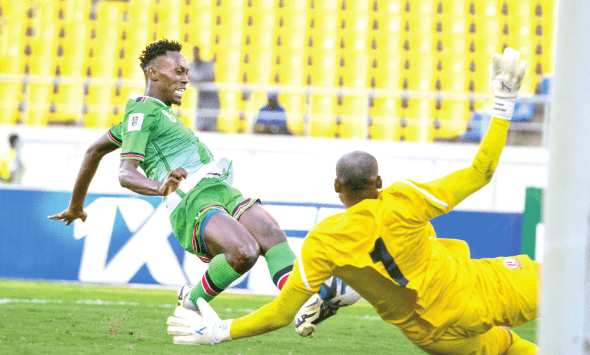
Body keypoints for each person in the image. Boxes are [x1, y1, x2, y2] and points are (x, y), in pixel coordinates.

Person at [165, 48, 539, 354]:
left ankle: (343, 288)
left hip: (431, 333)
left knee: (507, 349)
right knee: (572, 289)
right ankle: (343, 290)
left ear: (335, 188)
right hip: (476, 289)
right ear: (379, 182)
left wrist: (219, 331)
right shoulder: (404, 199)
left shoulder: (323, 242)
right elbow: (481, 172)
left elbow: (281, 314)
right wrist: (503, 104)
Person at [48, 39, 298, 310]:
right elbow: (125, 172)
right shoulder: (142, 113)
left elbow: (94, 152)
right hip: (191, 199)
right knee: (244, 252)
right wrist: (160, 188)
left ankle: (304, 302)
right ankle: (193, 301)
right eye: (179, 72)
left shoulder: (152, 115)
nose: (187, 79)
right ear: (153, 73)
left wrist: (75, 206)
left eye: (187, 72)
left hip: (217, 189)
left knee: (270, 233)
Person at [188, 45, 220, 132]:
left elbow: (211, 78)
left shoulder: (208, 64)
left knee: (211, 126)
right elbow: (187, 77)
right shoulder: (189, 65)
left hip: (211, 100)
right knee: (199, 126)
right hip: (199, 99)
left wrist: (197, 81)